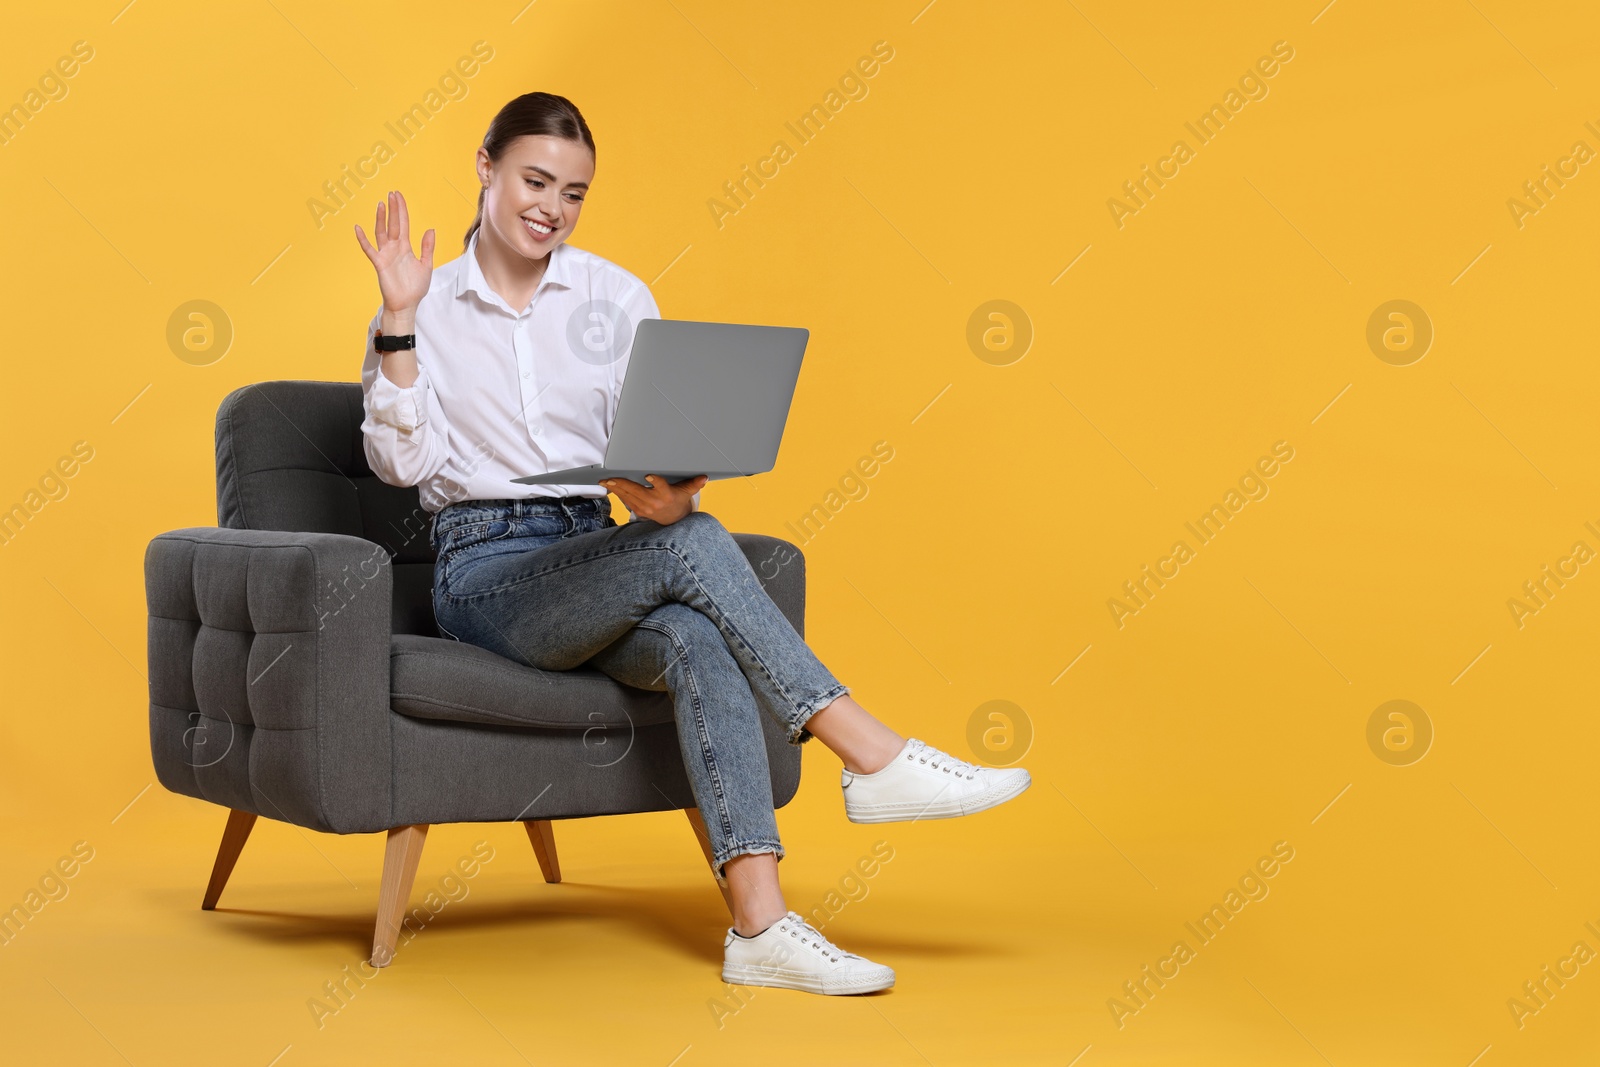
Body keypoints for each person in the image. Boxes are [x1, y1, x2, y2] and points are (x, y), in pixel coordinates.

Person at [355, 91, 1030, 996]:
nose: (552, 207)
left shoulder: (614, 295)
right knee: (698, 551)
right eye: (535, 180)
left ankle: (762, 926)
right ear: (486, 167)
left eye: (575, 192)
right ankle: (868, 752)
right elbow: (402, 466)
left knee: (696, 627)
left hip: (593, 549)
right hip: (483, 573)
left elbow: (644, 470)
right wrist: (398, 319)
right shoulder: (421, 303)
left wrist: (666, 490)